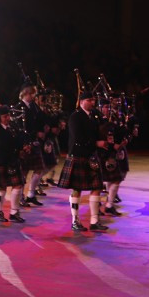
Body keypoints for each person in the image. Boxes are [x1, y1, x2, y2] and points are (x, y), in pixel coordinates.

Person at [57, 90, 107, 231]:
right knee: (77, 189)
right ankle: (75, 221)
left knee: (97, 187)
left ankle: (94, 221)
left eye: (93, 100)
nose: (92, 102)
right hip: (78, 155)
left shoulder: (93, 117)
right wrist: (96, 144)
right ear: (81, 102)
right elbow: (78, 138)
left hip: (90, 156)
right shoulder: (75, 117)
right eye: (89, 100)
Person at [0, 106, 26, 223]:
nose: (8, 118)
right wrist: (17, 149)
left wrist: (23, 146)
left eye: (8, 116)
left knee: (18, 185)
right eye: (5, 116)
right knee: (1, 187)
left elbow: (18, 140)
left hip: (12, 160)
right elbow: (1, 145)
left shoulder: (12, 128)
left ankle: (14, 212)